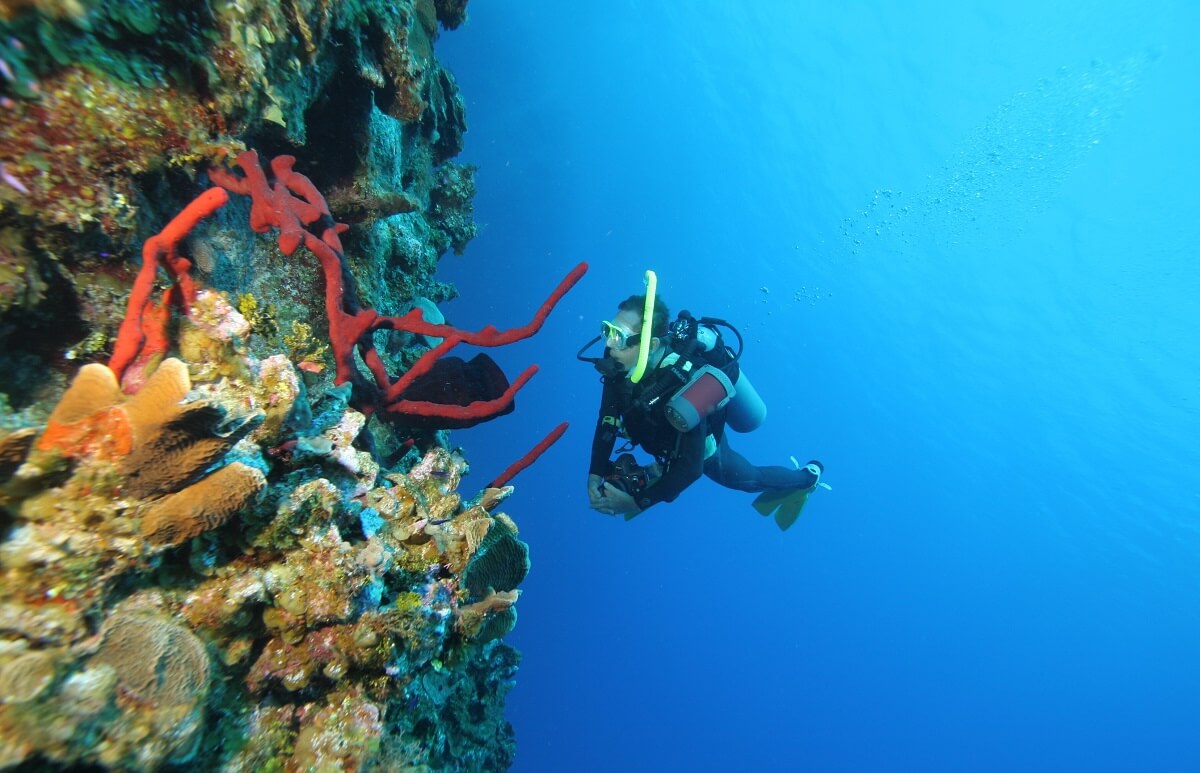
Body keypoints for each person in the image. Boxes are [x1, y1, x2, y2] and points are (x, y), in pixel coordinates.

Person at [585, 289, 827, 529]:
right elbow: (607, 420)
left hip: (702, 451)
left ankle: (807, 478)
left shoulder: (684, 381)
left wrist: (637, 502)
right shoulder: (619, 365)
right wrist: (595, 473)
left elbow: (691, 468)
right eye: (608, 330)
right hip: (663, 437)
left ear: (652, 344)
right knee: (662, 465)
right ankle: (655, 471)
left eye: (619, 336)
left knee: (749, 479)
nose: (608, 343)